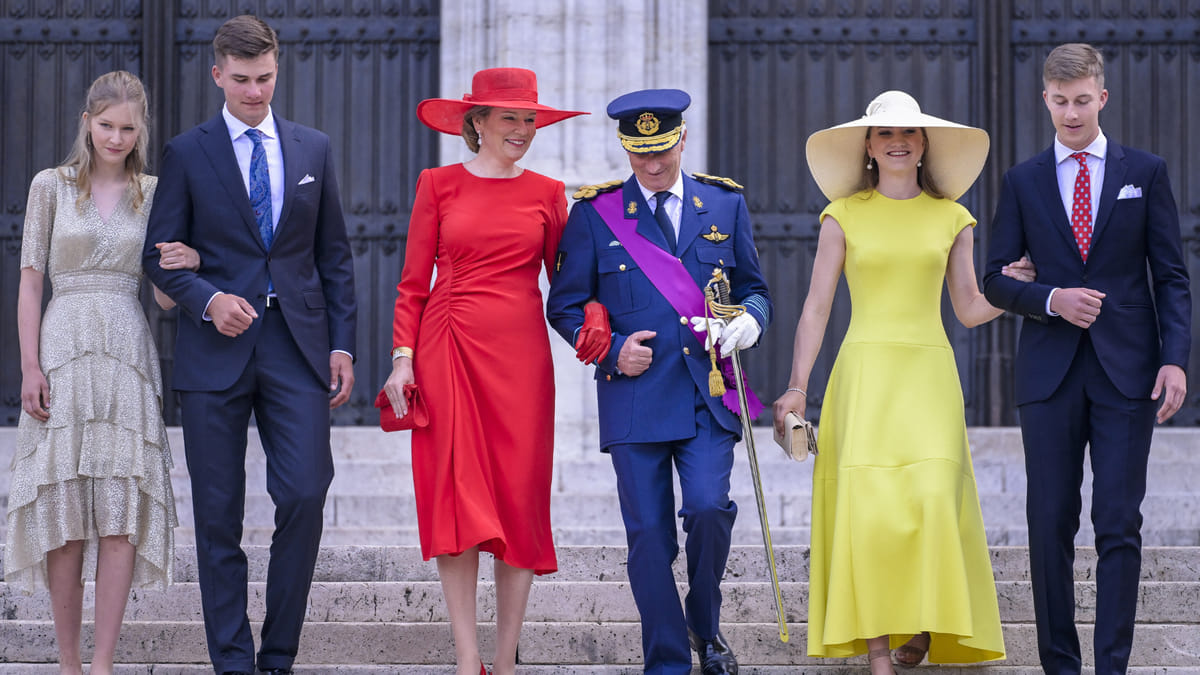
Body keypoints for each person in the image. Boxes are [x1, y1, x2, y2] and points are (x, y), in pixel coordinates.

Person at [773, 90, 1036, 674]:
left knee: (932, 499)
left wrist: (1013, 287)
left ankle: (922, 623)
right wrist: (797, 387)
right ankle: (876, 654)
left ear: (924, 146)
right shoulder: (842, 214)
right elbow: (816, 306)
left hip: (928, 375)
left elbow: (968, 307)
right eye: (885, 133)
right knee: (866, 510)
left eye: (910, 133)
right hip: (863, 374)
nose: (897, 141)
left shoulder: (953, 218)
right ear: (868, 145)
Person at [141, 15, 357, 675]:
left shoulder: (313, 148)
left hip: (297, 348)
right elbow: (161, 257)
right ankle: (233, 660)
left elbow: (335, 257)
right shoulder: (185, 152)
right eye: (241, 80)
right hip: (214, 355)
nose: (255, 91)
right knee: (217, 515)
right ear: (217, 75)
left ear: (277, 69)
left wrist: (343, 345)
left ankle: (279, 654)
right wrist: (207, 298)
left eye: (264, 77)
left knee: (304, 491)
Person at [546, 89, 771, 675]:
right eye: (639, 153)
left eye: (662, 151)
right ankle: (668, 660)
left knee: (707, 509)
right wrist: (613, 350)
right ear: (625, 148)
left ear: (682, 140)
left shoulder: (723, 206)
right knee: (648, 535)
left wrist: (749, 323)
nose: (652, 164)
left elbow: (757, 291)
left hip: (708, 392)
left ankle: (704, 622)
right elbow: (565, 308)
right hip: (636, 398)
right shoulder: (595, 215)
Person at [982, 43, 1191, 675]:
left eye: (1082, 101)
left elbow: (1172, 277)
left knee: (1119, 523)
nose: (1071, 114)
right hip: (1050, 376)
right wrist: (1049, 298)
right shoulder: (1022, 180)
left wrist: (1174, 360)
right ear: (1044, 99)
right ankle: (1059, 667)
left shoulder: (1145, 172)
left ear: (1102, 97)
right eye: (1059, 101)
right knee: (1048, 525)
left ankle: (1113, 667)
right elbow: (993, 278)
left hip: (1128, 372)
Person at [383, 67, 593, 675]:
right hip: (447, 348)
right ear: (477, 124)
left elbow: (569, 287)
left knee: (518, 498)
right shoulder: (437, 184)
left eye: (530, 119)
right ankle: (466, 659)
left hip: (522, 362)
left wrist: (597, 322)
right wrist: (402, 360)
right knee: (457, 497)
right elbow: (410, 283)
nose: (523, 130)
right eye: (511, 119)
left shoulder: (550, 194)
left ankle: (504, 662)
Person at [6, 70, 198, 675]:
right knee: (65, 521)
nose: (116, 137)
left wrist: (189, 261)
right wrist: (30, 366)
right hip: (62, 350)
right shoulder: (50, 187)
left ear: (142, 131)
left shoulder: (154, 191)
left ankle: (105, 662)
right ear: (87, 122)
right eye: (106, 125)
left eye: (127, 127)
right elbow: (30, 282)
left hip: (125, 358)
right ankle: (68, 663)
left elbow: (166, 298)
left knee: (117, 517)